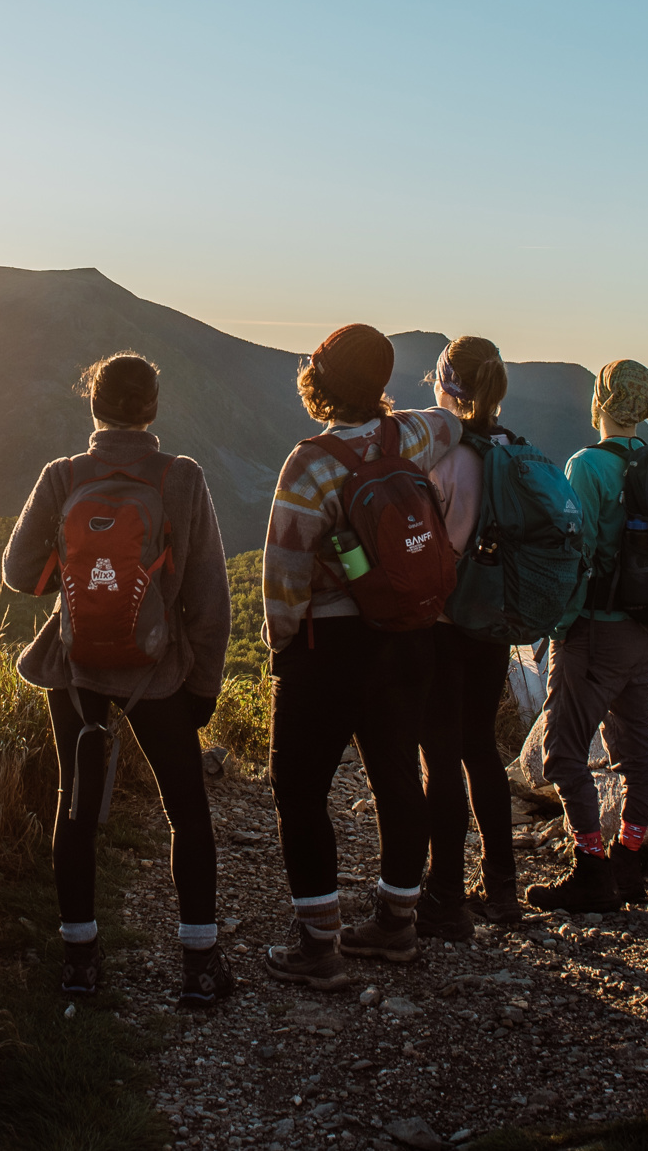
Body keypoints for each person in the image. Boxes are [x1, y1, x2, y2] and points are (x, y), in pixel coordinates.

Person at [3, 351, 237, 1005]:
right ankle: (199, 966)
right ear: (152, 408)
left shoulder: (63, 476)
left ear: (94, 405)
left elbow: (20, 575)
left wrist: (73, 567)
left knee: (74, 809)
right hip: (158, 673)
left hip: (74, 669)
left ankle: (79, 964)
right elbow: (209, 597)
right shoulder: (179, 478)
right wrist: (205, 687)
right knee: (185, 810)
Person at [258, 324, 462, 986]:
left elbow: (283, 571)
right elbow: (452, 423)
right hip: (408, 637)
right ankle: (394, 925)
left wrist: (280, 644)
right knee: (398, 778)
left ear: (316, 380)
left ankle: (318, 947)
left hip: (330, 648)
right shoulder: (408, 436)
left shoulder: (309, 462)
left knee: (299, 789)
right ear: (377, 386)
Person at [526, 358, 648, 914]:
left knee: (562, 755)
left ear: (599, 403)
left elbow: (572, 552)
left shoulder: (587, 466)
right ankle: (629, 863)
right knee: (635, 751)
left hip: (592, 632)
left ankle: (591, 871)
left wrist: (557, 624)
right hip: (642, 630)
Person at [415, 336, 524, 938]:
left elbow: (428, 549)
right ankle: (502, 886)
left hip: (442, 622)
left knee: (441, 754)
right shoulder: (516, 452)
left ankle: (445, 893)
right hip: (495, 622)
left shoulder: (445, 460)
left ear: (448, 385)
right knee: (482, 748)